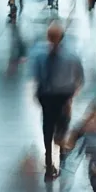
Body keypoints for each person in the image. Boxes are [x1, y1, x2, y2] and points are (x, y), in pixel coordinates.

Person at [31, 21, 84, 181]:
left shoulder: (45, 55)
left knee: (52, 123)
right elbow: (79, 78)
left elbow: (37, 76)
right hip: (55, 95)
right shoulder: (46, 55)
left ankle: (55, 148)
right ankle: (53, 151)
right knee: (55, 123)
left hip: (57, 95)